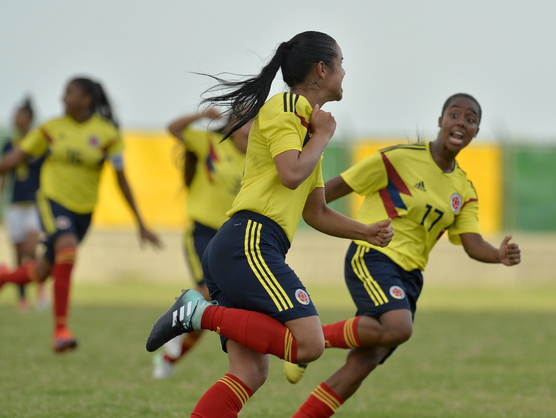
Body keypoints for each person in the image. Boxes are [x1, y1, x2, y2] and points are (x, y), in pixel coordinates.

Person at [145, 31, 394, 417]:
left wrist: (366, 232)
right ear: (322, 69)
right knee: (308, 344)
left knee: (249, 372)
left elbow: (316, 212)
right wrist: (325, 136)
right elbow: (291, 173)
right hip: (250, 242)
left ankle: (199, 313)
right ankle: (197, 313)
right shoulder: (287, 106)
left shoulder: (306, 126)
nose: (345, 72)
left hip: (242, 246)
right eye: (341, 63)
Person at [286, 93, 522, 418]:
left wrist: (499, 254)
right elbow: (335, 187)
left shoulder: (463, 189)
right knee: (400, 327)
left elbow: (471, 243)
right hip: (373, 256)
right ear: (440, 121)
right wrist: (292, 201)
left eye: (470, 120)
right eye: (455, 115)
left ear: (476, 131)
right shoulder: (398, 158)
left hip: (410, 277)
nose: (461, 123)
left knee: (363, 363)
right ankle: (307, 340)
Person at [0, 76, 162, 352]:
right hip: (52, 201)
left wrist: (140, 223)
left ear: (86, 99)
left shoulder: (107, 134)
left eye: (69, 93)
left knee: (43, 270)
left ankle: (5, 278)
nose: (63, 98)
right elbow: (11, 161)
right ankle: (61, 330)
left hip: (84, 211)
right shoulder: (51, 129)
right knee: (67, 249)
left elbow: (122, 180)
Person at [152, 108, 252, 378]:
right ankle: (176, 323)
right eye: (243, 122)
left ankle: (169, 358)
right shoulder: (211, 145)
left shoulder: (259, 159)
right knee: (205, 292)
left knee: (214, 308)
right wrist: (201, 114)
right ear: (231, 125)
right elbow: (173, 128)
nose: (249, 128)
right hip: (203, 231)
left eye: (254, 122)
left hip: (233, 238)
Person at [0, 97, 48, 311]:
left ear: (28, 118)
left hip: (35, 203)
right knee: (18, 253)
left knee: (31, 247)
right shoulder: (10, 144)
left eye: (19, 115)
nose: (15, 118)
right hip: (15, 204)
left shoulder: (39, 143)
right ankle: (22, 298)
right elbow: (4, 174)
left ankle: (41, 282)